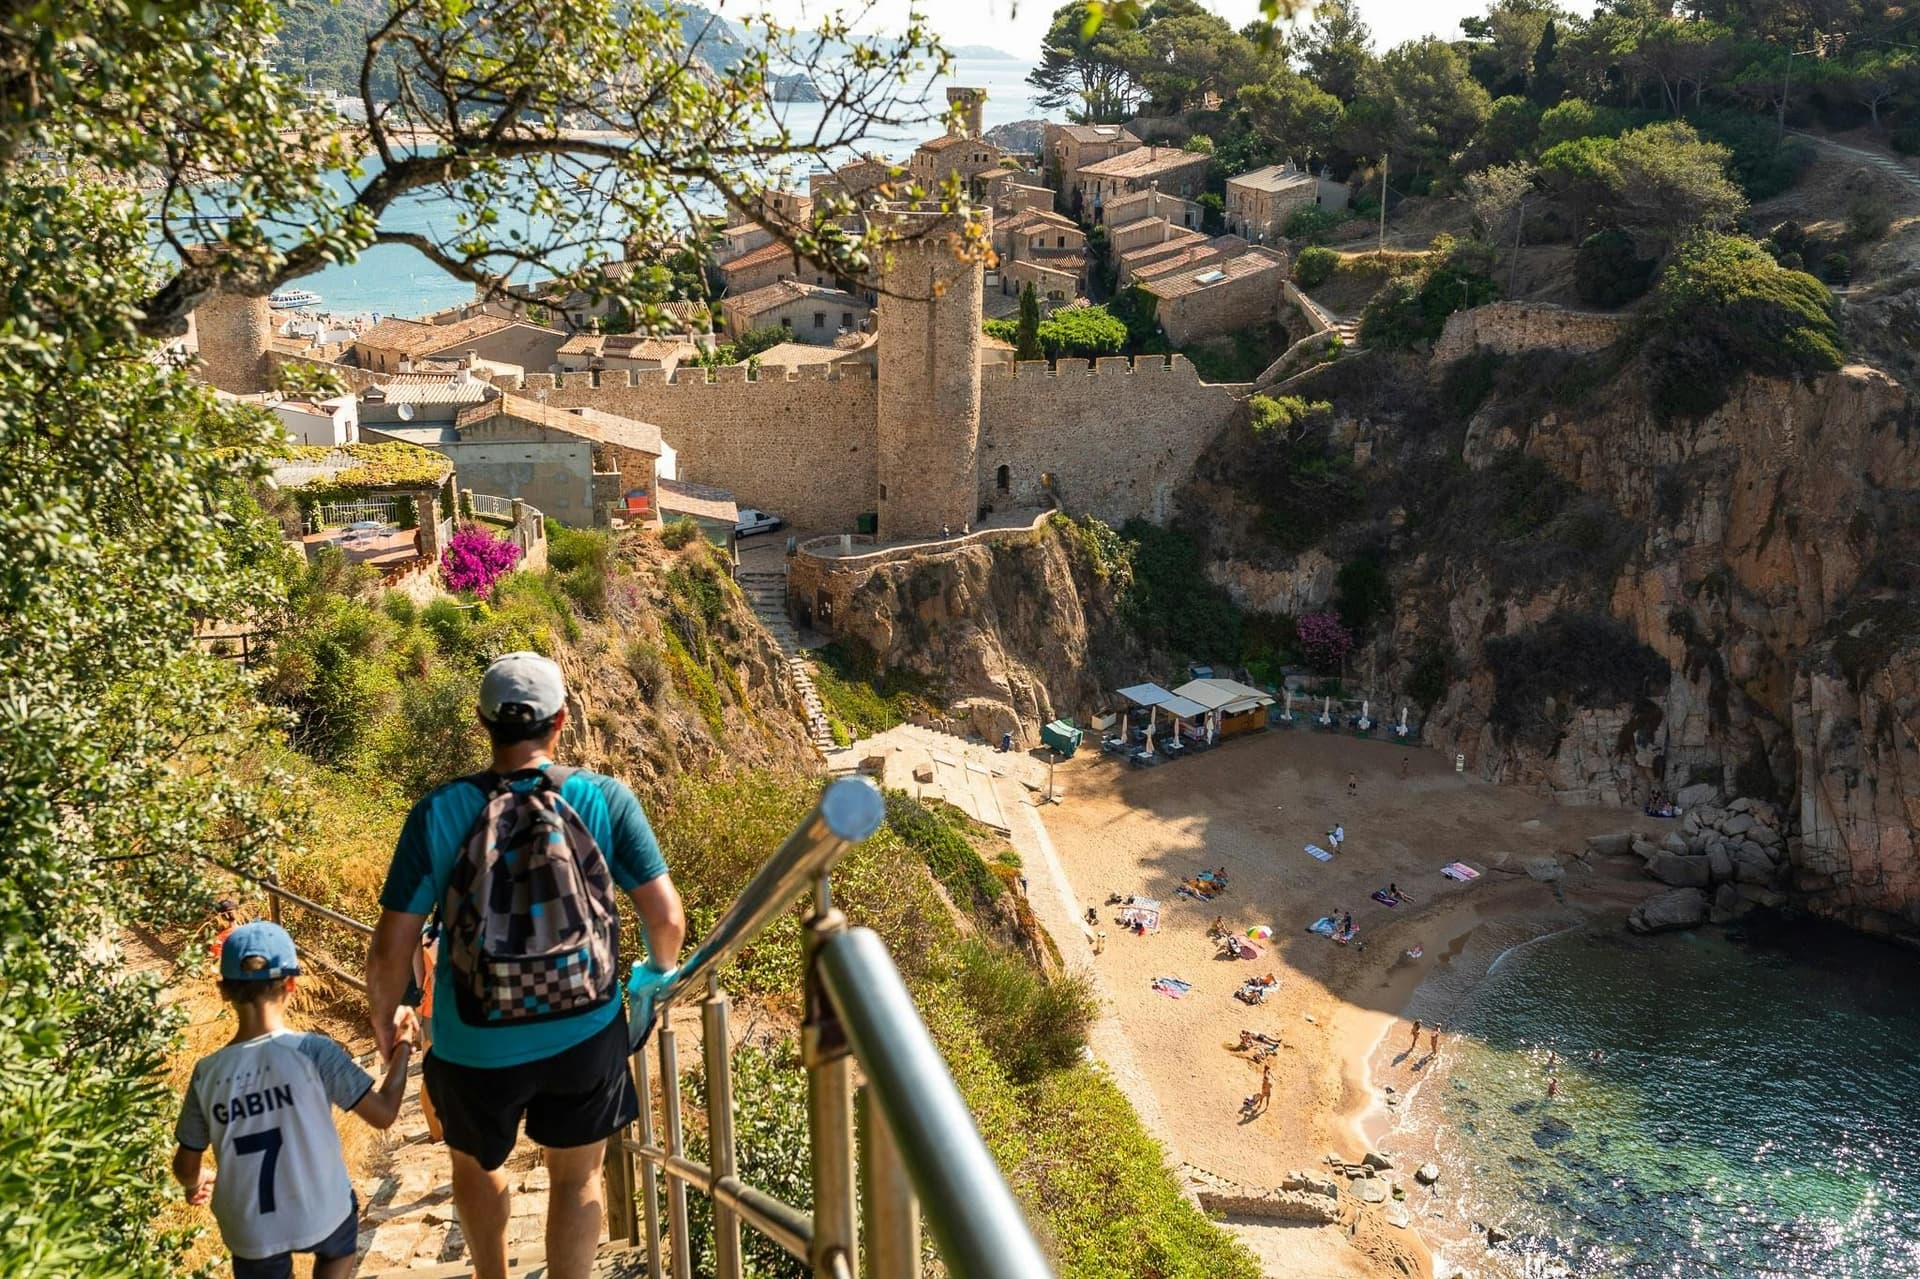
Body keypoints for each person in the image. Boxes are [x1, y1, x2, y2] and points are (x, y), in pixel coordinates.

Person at [367, 652, 686, 1279]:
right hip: (584, 1028)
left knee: (475, 1167)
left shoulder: (439, 812)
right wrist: (653, 979)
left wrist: (388, 1019)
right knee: (577, 1176)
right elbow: (667, 920)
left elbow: (389, 947)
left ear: (483, 722)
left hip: (473, 1040)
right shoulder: (603, 799)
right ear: (561, 720)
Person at [174, 922, 410, 1279]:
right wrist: (405, 1045)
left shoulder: (207, 1073)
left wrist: (196, 1181)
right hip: (321, 1211)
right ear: (291, 985)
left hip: (250, 1229)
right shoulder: (313, 1051)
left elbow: (185, 1166)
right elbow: (384, 1113)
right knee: (339, 1239)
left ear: (224, 991)